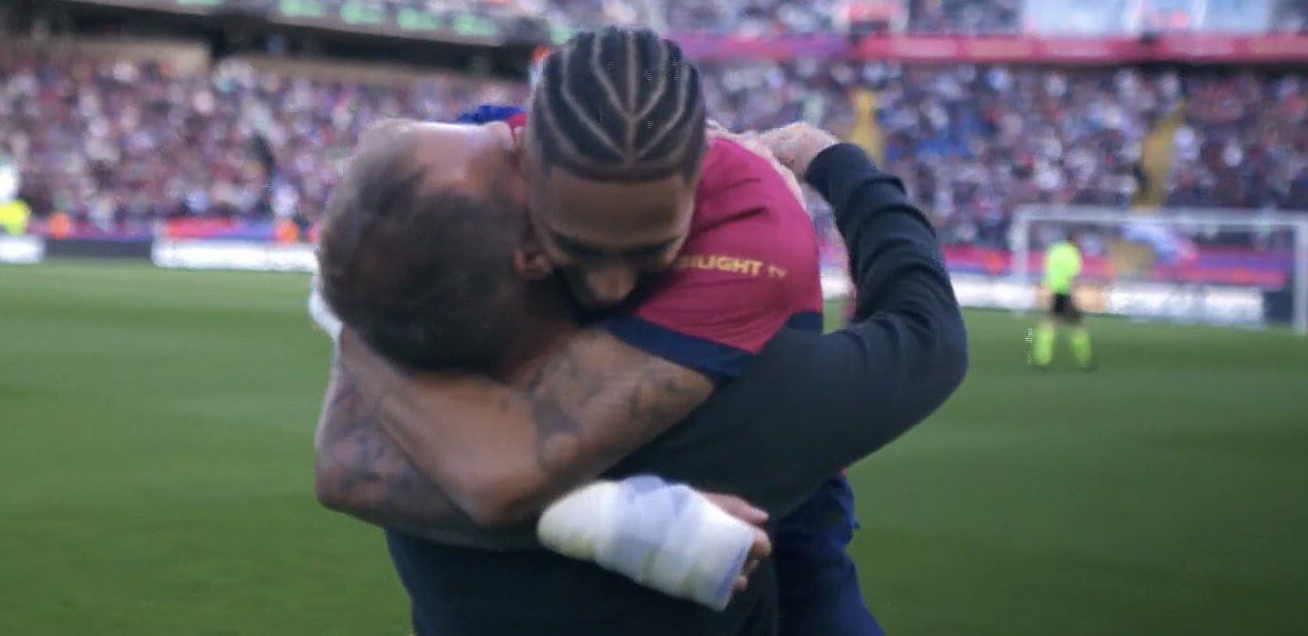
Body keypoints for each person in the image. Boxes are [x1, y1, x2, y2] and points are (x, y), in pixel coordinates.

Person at [314, 114, 967, 634]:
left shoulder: (405, 429)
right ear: (535, 251)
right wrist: (832, 159)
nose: (524, 134)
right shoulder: (751, 401)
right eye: (512, 151)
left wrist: (354, 307)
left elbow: (352, 463)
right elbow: (926, 330)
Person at [1031, 236, 1095, 372]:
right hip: (1066, 292)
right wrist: (1074, 295)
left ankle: (1042, 358)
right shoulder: (1073, 253)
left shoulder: (1053, 250)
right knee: (1078, 325)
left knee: (1050, 323)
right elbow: (1073, 276)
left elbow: (1046, 269)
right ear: (1074, 241)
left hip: (1052, 291)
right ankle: (1084, 361)